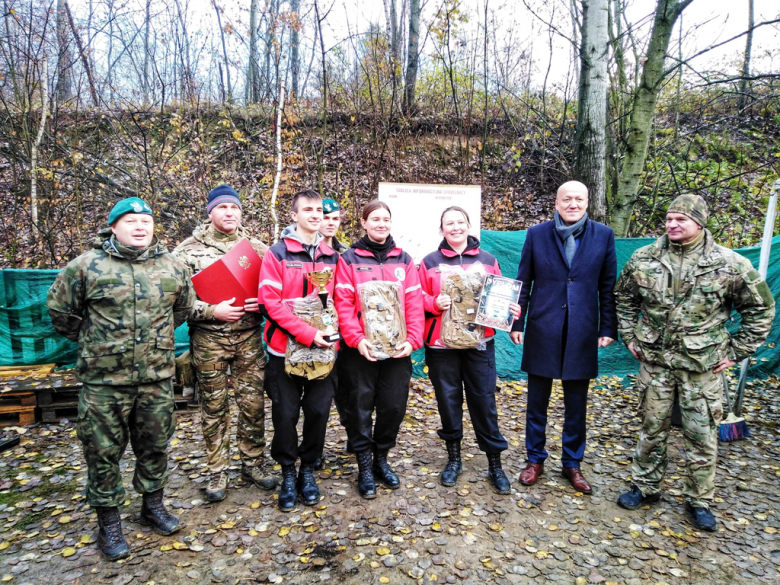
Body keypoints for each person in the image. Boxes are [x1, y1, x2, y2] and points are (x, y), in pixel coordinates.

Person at [614, 194, 774, 531]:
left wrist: (737, 351)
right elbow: (624, 299)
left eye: (680, 220)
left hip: (702, 366)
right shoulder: (645, 259)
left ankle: (699, 499)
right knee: (651, 428)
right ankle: (645, 486)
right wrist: (629, 336)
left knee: (701, 434)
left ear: (699, 224)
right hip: (656, 362)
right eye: (669, 219)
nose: (672, 224)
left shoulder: (729, 264)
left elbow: (760, 309)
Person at [47, 197, 194, 560]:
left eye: (146, 220)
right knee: (102, 453)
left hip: (155, 379)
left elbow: (182, 310)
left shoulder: (173, 267)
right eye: (130, 221)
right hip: (103, 383)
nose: (140, 226)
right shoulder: (85, 267)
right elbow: (61, 314)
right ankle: (109, 521)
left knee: (155, 446)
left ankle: (152, 506)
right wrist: (100, 344)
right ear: (113, 226)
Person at [510, 180, 617, 495]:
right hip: (543, 328)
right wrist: (518, 322)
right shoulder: (536, 235)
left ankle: (572, 463)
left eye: (579, 199)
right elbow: (523, 281)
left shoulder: (604, 236)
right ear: (556, 203)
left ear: (587, 203)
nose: (573, 204)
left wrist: (607, 327)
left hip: (582, 331)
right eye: (567, 199)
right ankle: (535, 460)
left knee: (576, 405)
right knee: (536, 402)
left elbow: (607, 286)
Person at [173, 185, 276, 503]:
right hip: (208, 341)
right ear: (210, 212)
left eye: (234, 208)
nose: (229, 213)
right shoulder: (186, 252)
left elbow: (274, 292)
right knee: (214, 409)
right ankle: (217, 469)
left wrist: (262, 305)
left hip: (248, 339)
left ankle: (252, 463)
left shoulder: (257, 249)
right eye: (222, 208)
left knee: (253, 406)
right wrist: (210, 310)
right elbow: (174, 304)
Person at [419, 207, 520, 494]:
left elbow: (501, 297)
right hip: (441, 346)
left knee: (484, 402)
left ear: (468, 225)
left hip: (480, 345)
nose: (455, 227)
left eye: (459, 222)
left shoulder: (488, 260)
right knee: (448, 402)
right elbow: (417, 297)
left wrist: (511, 309)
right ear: (442, 229)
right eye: (449, 223)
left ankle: (494, 463)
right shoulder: (429, 262)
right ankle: (453, 459)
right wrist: (432, 304)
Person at [334, 200, 425, 499]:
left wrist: (412, 341)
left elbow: (413, 304)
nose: (381, 224)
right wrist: (356, 339)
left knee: (393, 407)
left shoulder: (404, 260)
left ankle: (381, 461)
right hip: (361, 351)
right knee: (359, 407)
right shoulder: (348, 259)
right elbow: (343, 306)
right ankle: (363, 466)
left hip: (397, 351)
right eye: (375, 219)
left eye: (386, 219)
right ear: (364, 223)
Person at [258, 189, 339, 511]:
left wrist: (333, 334)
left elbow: (342, 303)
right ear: (294, 215)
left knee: (319, 412)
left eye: (319, 209)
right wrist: (307, 333)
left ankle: (308, 469)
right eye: (308, 209)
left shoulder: (334, 256)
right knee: (285, 414)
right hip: (284, 351)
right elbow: (270, 303)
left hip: (324, 353)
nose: (315, 215)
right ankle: (288, 472)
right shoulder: (276, 254)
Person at [317, 198, 351, 461]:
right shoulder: (307, 251)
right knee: (319, 398)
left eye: (335, 218)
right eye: (326, 217)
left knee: (348, 392)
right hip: (315, 333)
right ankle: (314, 448)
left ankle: (354, 438)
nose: (330, 222)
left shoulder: (346, 254)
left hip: (345, 334)